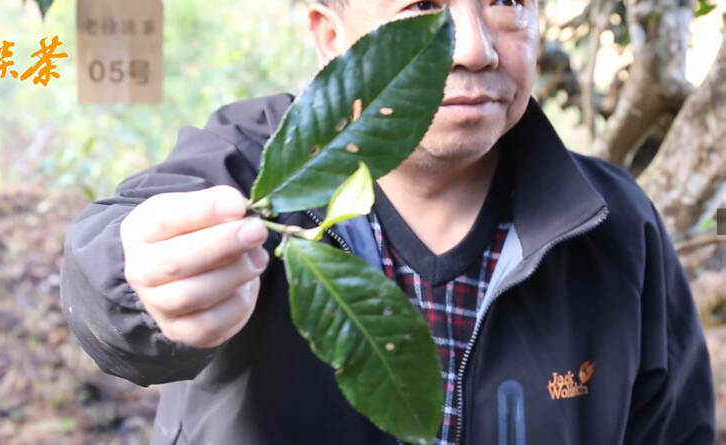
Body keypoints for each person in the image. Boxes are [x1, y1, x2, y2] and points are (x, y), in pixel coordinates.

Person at [59, 0, 716, 444]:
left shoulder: (614, 226)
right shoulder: (248, 171)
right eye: (419, 10)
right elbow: (106, 267)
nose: (472, 47)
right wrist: (145, 287)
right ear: (329, 37)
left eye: (507, 2)